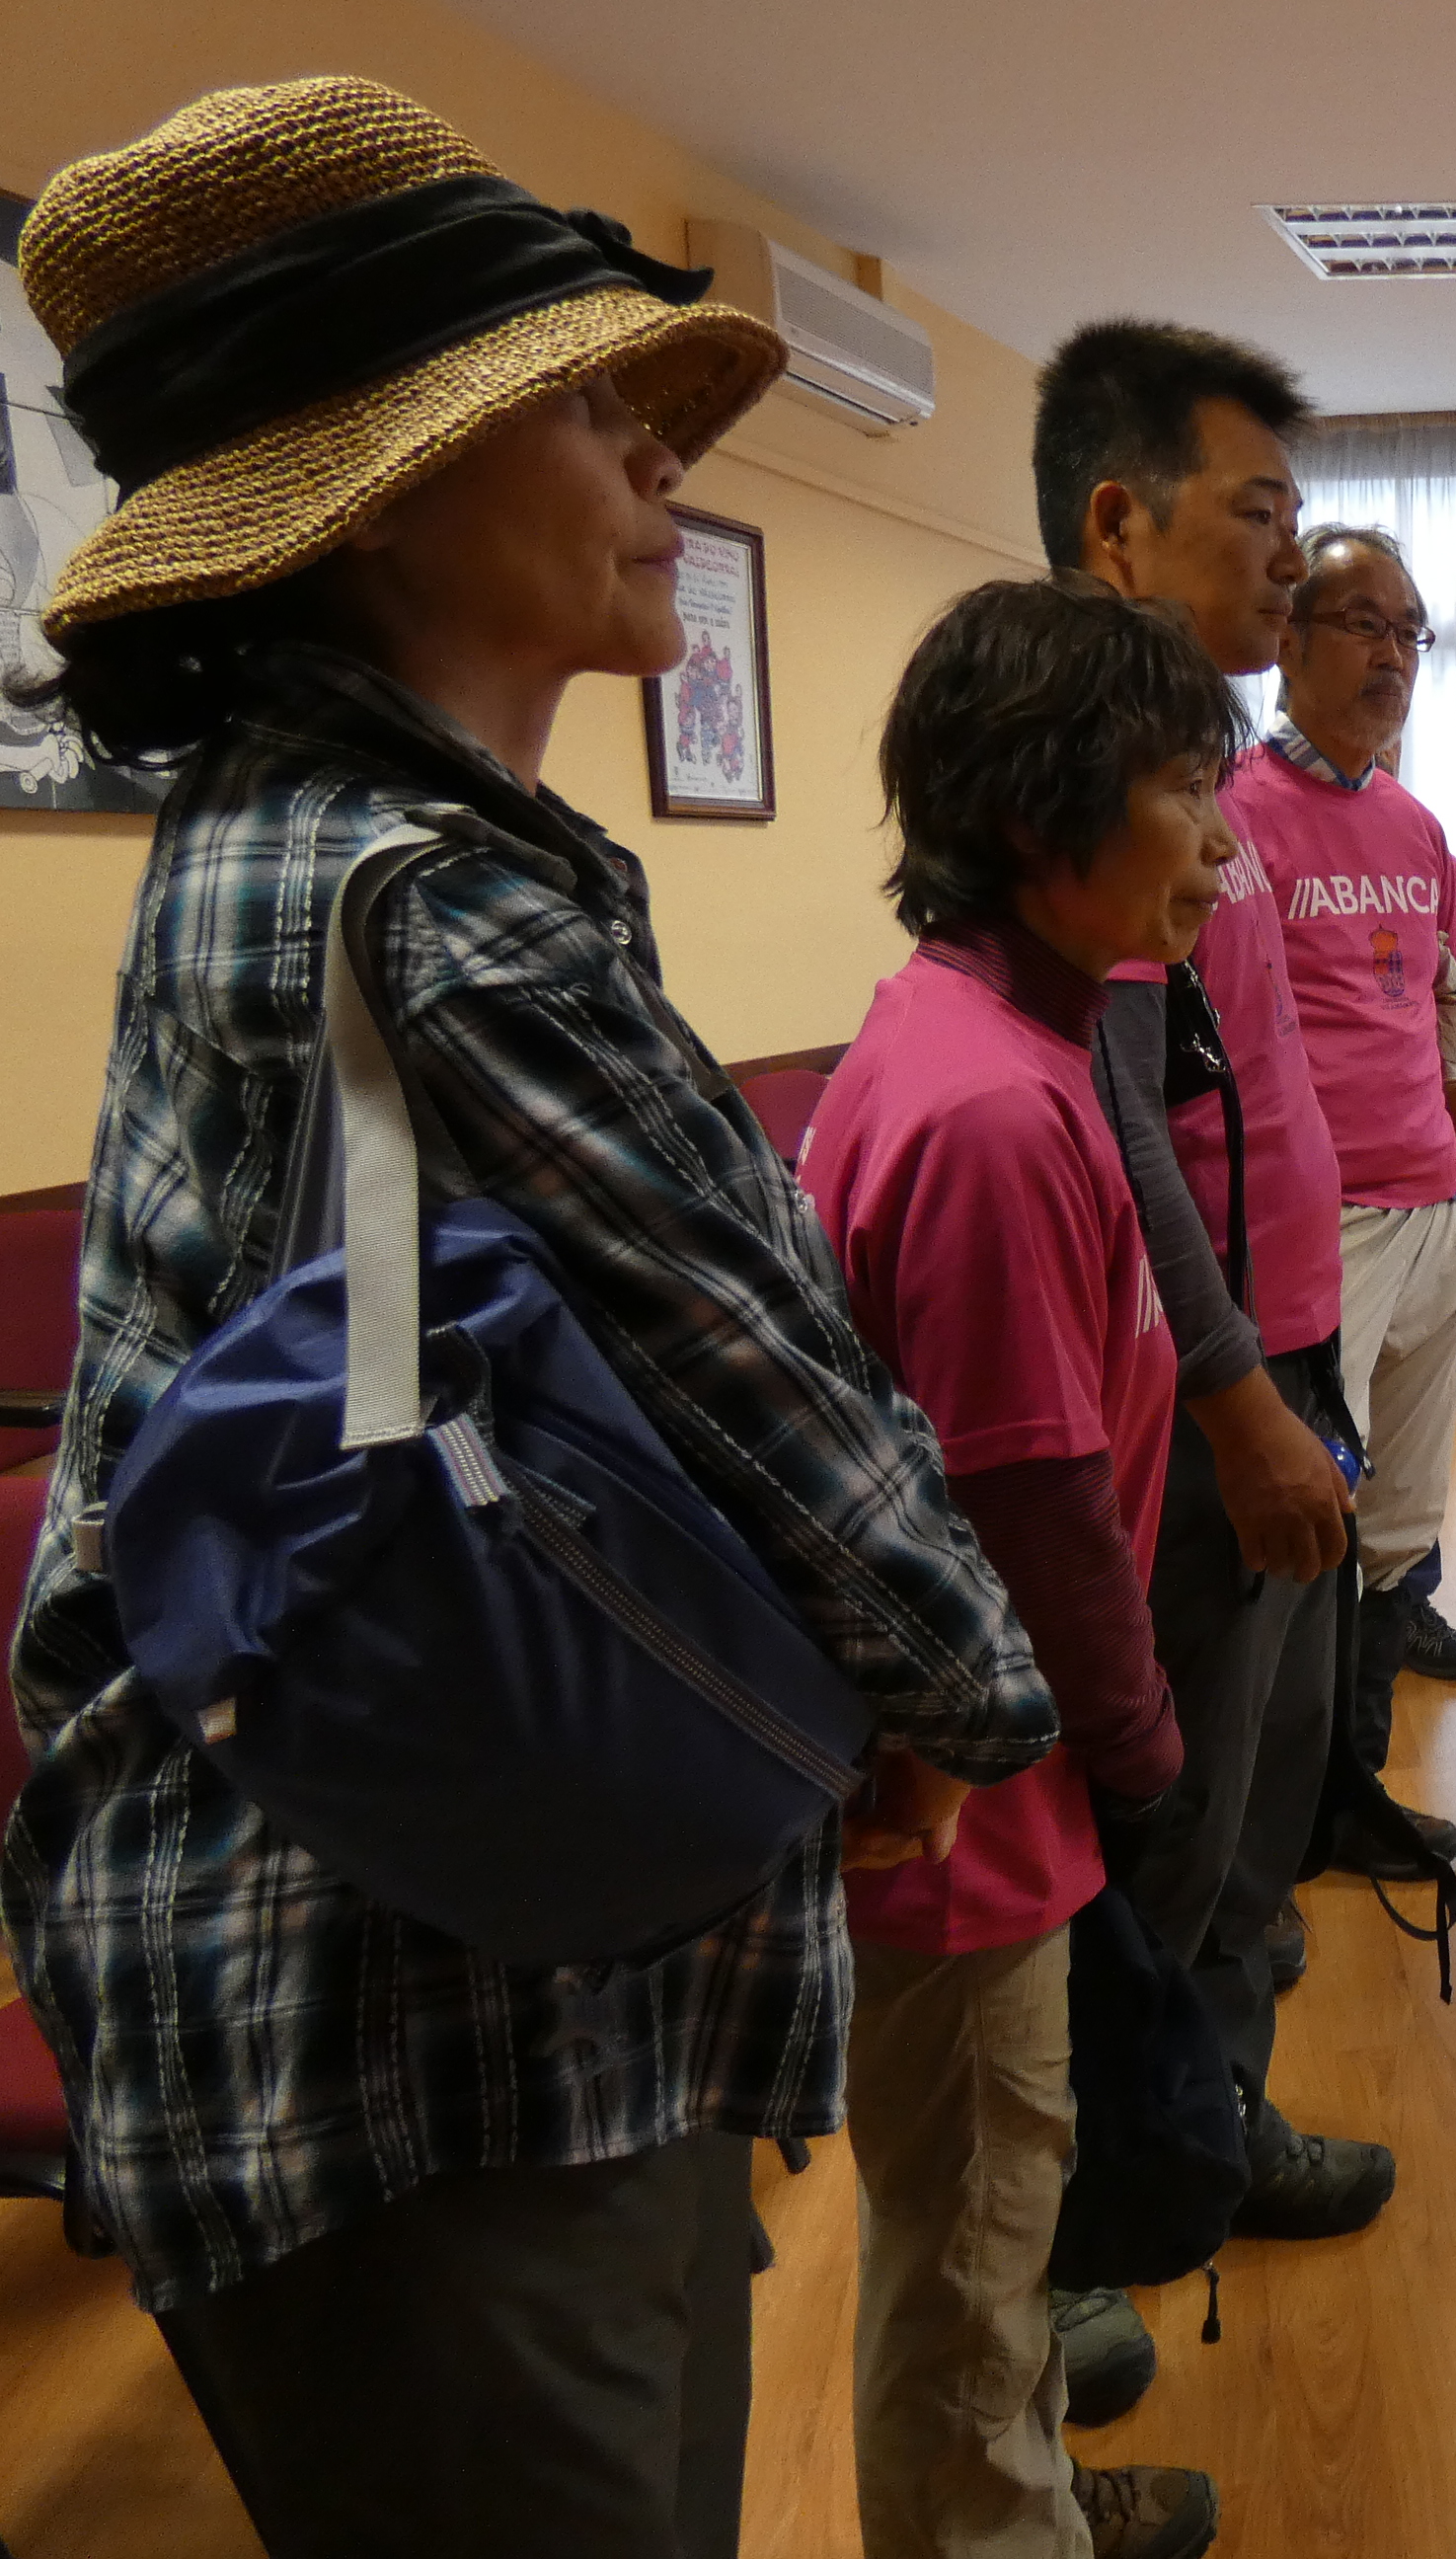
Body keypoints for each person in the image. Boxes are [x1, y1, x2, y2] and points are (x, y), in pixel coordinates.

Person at [0, 79, 1054, 2557]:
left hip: (498, 1927)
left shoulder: (304, 835)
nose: (656, 457)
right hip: (401, 2013)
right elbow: (774, 1393)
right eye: (583, 406)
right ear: (378, 492)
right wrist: (953, 1703)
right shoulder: (424, 903)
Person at [805, 578, 1237, 2559]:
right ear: (1036, 811)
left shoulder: (999, 1032)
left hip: (1000, 1775)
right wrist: (1146, 1763)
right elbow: (1034, 1509)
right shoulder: (986, 1108)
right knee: (975, 2246)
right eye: (1180, 788)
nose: (1217, 841)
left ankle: (1024, 2492)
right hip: (974, 1807)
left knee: (994, 2213)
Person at [1029, 326, 1397, 2346]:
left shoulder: (1213, 769)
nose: (1291, 556)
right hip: (1196, 1391)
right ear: (1119, 524)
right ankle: (1088, 2240)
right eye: (1258, 513)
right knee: (1162, 1831)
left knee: (1264, 1815)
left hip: (1290, 1350)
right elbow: (1114, 1109)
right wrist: (1240, 1390)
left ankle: (1218, 2126)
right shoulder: (1093, 779)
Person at [1229, 524, 1456, 1870]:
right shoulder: (1235, 812)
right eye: (1363, 623)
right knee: (1311, 1522)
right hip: (1317, 1228)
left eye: (1411, 631)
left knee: (1401, 1522)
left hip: (1429, 1215)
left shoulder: (1415, 824)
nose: (1393, 653)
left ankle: (1351, 1798)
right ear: (1286, 638)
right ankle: (1270, 1833)